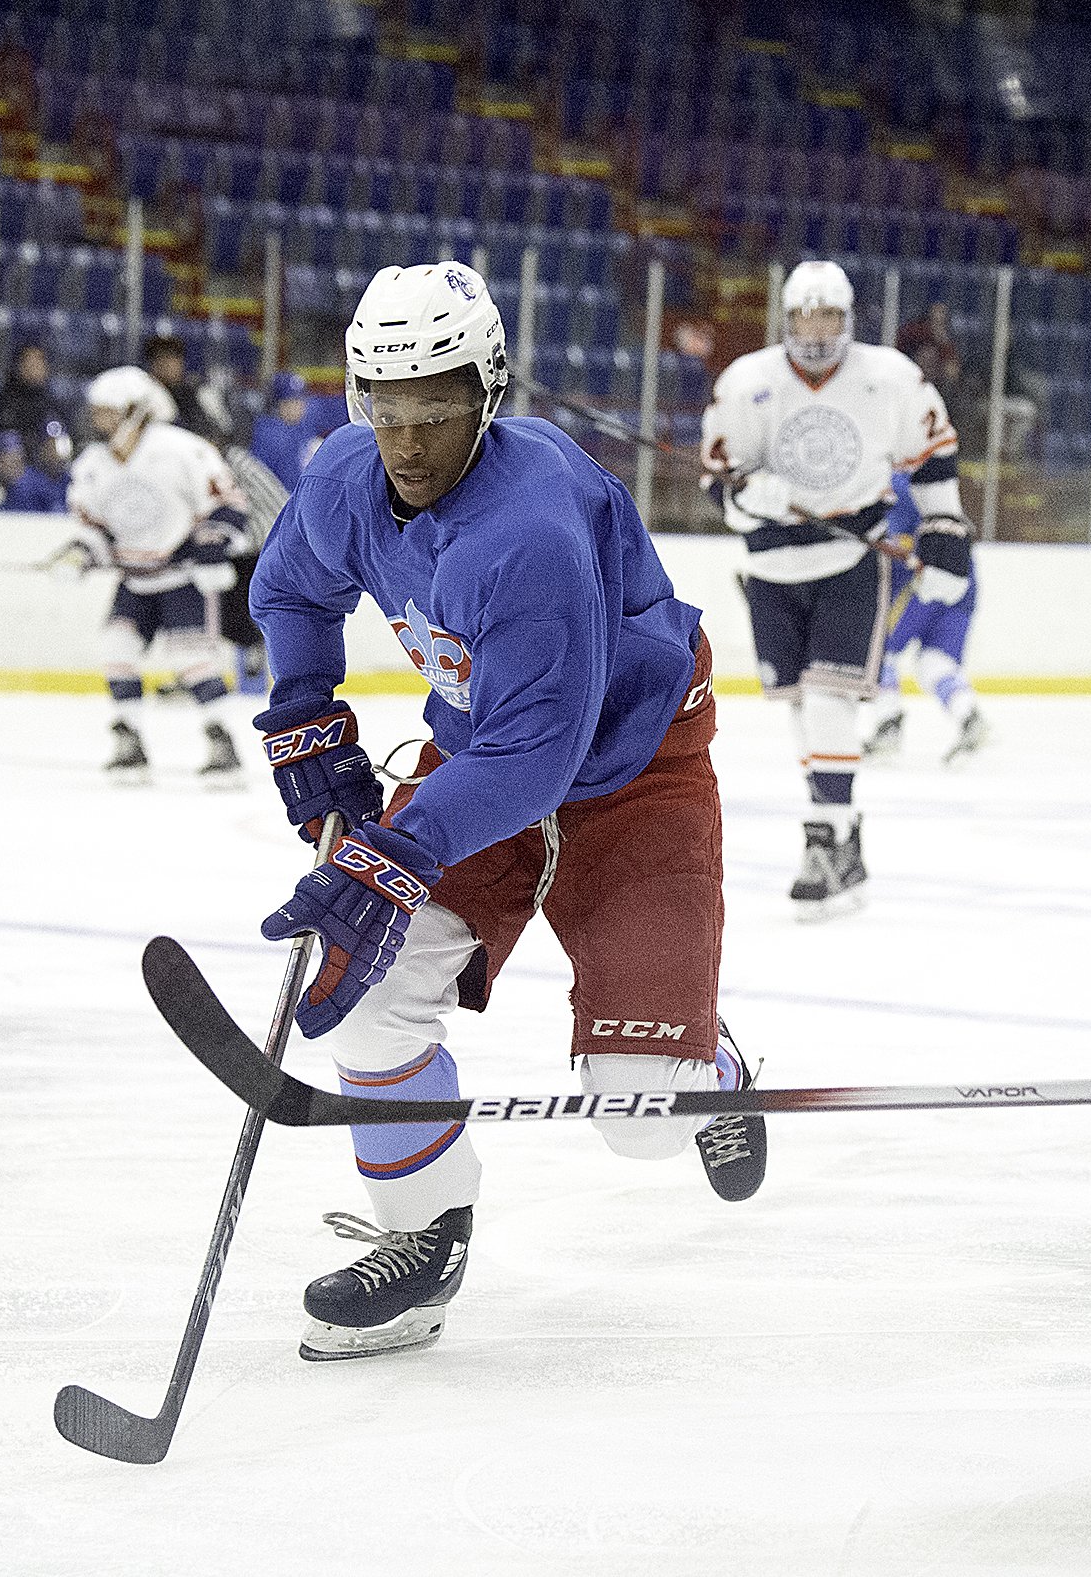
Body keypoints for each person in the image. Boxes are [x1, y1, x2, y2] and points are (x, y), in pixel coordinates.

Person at [250, 260, 761, 1362]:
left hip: (634, 767)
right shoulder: (346, 477)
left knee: (640, 1118)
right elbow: (293, 588)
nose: (411, 439)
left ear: (487, 392)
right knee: (374, 991)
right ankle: (420, 1239)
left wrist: (393, 850)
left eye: (438, 405)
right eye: (389, 407)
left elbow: (542, 755)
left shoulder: (527, 530)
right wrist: (307, 719)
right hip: (485, 743)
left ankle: (708, 1067)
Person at [700, 259, 967, 918]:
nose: (815, 329)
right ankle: (844, 835)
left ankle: (825, 836)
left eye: (828, 316)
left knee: (827, 697)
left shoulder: (890, 381)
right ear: (786, 319)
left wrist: (943, 531)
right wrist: (745, 498)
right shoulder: (747, 383)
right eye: (804, 316)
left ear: (847, 320)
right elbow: (718, 481)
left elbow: (932, 459)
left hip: (849, 557)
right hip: (771, 569)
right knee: (802, 704)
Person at [67, 364, 249, 785]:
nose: (98, 420)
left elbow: (229, 504)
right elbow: (93, 526)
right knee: (117, 647)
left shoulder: (181, 449)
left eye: (107, 411)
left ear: (135, 410)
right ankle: (129, 741)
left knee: (193, 660)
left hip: (181, 577)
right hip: (134, 579)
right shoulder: (94, 463)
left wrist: (213, 542)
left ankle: (221, 740)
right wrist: (82, 551)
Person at [863, 468, 988, 764]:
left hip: (923, 580)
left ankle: (888, 726)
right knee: (935, 662)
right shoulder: (917, 480)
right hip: (961, 581)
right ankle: (969, 717)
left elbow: (898, 546)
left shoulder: (890, 485)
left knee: (879, 652)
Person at [248, 369, 332, 493]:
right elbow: (259, 483)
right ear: (277, 405)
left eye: (301, 400)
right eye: (291, 402)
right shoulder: (268, 435)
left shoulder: (304, 424)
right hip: (278, 504)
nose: (299, 406)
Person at [0, 340, 58, 441]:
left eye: (40, 361)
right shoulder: (8, 399)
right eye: (31, 362)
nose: (36, 367)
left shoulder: (50, 398)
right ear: (20, 366)